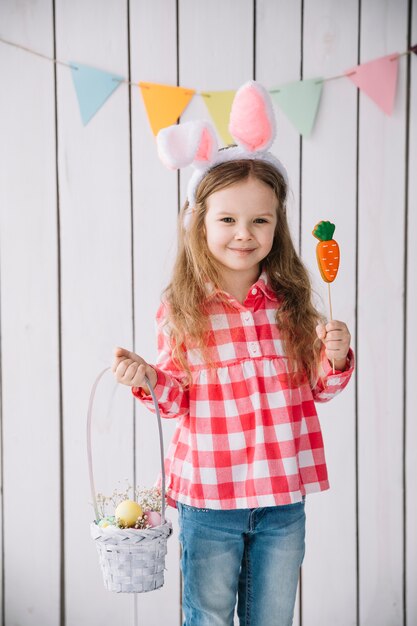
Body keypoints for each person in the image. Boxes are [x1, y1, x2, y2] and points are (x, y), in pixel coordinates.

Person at [112, 81, 354, 626]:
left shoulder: (290, 304)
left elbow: (319, 387)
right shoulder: (182, 309)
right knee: (210, 616)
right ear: (201, 223)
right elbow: (175, 399)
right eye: (227, 220)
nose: (243, 233)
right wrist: (149, 376)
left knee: (271, 617)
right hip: (210, 501)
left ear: (277, 226)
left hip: (281, 501)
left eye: (259, 220)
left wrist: (333, 359)